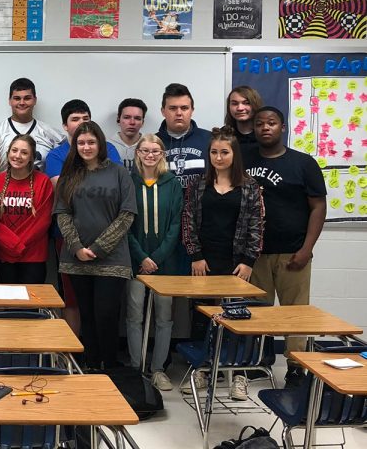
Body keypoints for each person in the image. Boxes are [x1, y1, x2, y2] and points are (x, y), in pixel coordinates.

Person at [244, 106, 327, 388]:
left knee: (295, 314)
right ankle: (254, 364)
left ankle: (295, 367)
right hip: (254, 254)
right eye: (259, 124)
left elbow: (318, 207)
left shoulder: (303, 163)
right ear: (253, 129)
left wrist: (307, 249)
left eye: (271, 123)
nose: (265, 128)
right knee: (256, 313)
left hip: (293, 252)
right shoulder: (243, 159)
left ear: (283, 127)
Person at [182, 126, 264, 400]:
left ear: (234, 154)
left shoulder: (250, 187)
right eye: (214, 152)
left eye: (224, 152)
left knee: (236, 317)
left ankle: (237, 376)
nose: (219, 157)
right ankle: (202, 370)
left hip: (236, 262)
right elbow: (188, 222)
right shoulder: (197, 185)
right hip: (204, 261)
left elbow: (256, 224)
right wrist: (195, 254)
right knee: (202, 316)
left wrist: (249, 261)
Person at [54, 121, 136, 371]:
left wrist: (98, 248)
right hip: (76, 259)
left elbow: (127, 214)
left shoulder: (119, 172)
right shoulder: (69, 175)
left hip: (112, 260)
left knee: (107, 316)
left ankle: (109, 369)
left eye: (91, 142)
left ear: (100, 143)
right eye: (81, 143)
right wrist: (77, 247)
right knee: (86, 316)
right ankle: (90, 366)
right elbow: (62, 214)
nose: (86, 147)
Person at [125, 134, 183, 392]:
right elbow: (124, 224)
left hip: (165, 263)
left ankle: (158, 368)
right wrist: (141, 257)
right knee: (134, 315)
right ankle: (136, 367)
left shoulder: (172, 184)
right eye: (144, 150)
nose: (150, 155)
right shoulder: (128, 182)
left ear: (162, 154)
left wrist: (156, 258)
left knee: (164, 317)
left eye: (155, 150)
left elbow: (175, 225)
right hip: (136, 261)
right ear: (137, 153)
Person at [0, 134, 55, 285]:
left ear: (32, 157)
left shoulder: (43, 182)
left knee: (30, 306)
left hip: (33, 256)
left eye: (24, 152)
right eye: (14, 150)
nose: (18, 156)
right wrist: (10, 245)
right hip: (3, 254)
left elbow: (42, 220)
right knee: (8, 305)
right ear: (8, 153)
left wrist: (18, 246)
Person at [0, 77, 64, 177]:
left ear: (35, 100)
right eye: (17, 98)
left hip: (41, 191)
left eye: (27, 98)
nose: (22, 103)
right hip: (5, 191)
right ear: (9, 101)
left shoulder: (54, 136)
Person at [45, 99, 122, 184]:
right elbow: (60, 187)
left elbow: (118, 179)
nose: (81, 123)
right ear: (65, 126)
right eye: (75, 119)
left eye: (85, 118)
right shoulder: (56, 155)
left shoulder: (107, 148)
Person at [155, 83, 211, 189]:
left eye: (184, 108)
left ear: (192, 111)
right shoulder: (152, 144)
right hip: (165, 205)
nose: (179, 113)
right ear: (163, 111)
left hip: (201, 204)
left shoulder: (210, 139)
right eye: (173, 108)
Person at [111, 98, 148, 170]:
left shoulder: (151, 144)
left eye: (137, 118)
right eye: (127, 117)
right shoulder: (107, 145)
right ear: (118, 120)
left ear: (143, 122)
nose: (132, 122)